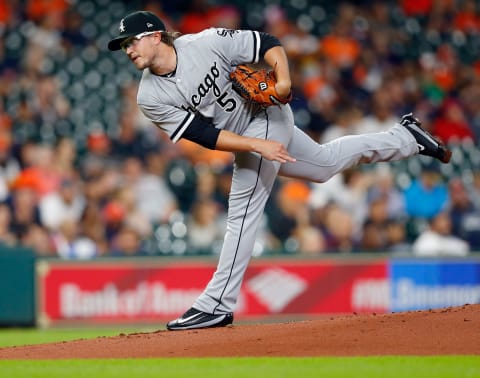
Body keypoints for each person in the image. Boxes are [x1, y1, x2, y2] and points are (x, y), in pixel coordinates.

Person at [108, 10, 452, 330]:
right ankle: (407, 138)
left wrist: (283, 82)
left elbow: (267, 44)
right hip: (248, 136)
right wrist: (257, 146)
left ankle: (217, 303)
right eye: (123, 46)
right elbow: (205, 136)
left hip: (266, 115)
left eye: (132, 41)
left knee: (242, 208)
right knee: (325, 165)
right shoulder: (149, 96)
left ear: (155, 36)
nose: (127, 50)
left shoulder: (206, 42)